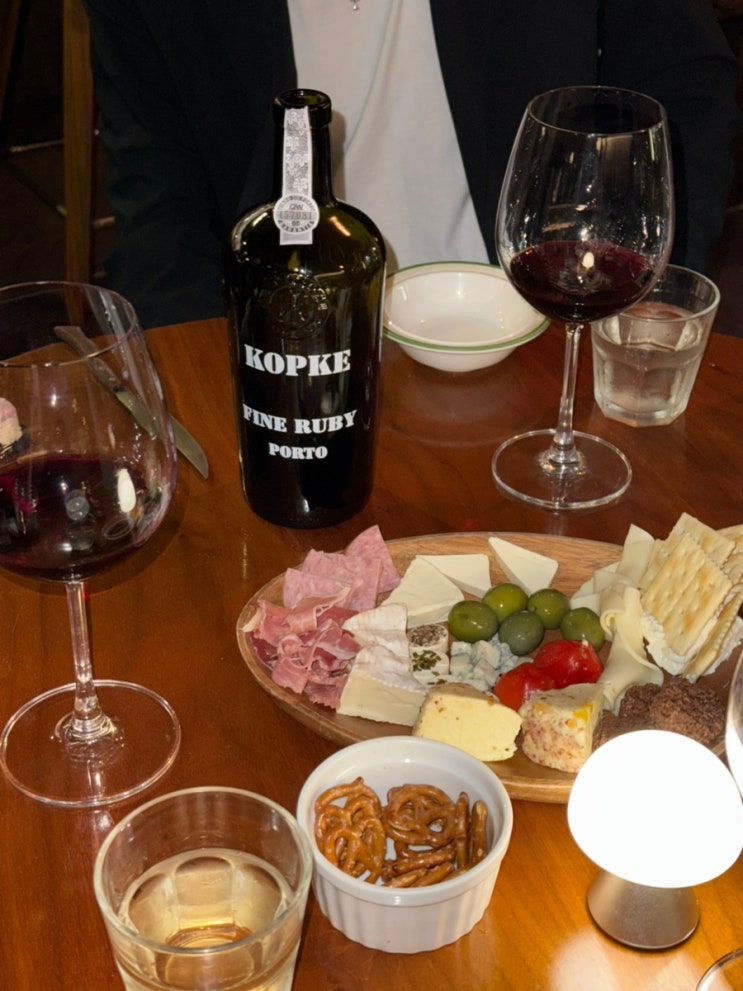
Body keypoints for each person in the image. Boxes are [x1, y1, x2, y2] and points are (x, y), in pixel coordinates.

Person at [83, 0, 741, 329]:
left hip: (547, 329)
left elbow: (682, 83)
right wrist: (201, 385)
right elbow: (157, 193)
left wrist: (649, 298)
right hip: (285, 355)